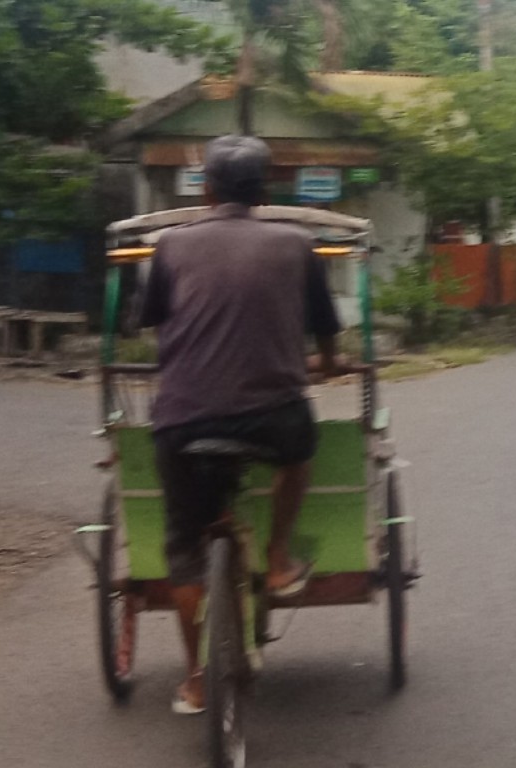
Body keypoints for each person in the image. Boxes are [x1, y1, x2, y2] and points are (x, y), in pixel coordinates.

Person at [139, 134, 350, 714]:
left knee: (184, 547)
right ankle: (278, 560)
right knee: (298, 455)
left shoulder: (172, 246)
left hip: (182, 418)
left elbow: (154, 326)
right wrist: (327, 366)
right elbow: (326, 333)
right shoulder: (294, 242)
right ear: (265, 190)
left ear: (205, 188)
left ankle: (197, 679)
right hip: (273, 415)